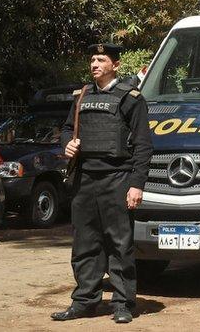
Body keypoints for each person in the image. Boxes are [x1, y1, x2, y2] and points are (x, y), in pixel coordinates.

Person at [51, 43, 154, 323]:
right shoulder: (81, 95)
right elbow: (67, 129)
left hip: (117, 178)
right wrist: (67, 144)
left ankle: (122, 304)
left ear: (115, 65)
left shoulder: (131, 98)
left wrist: (137, 185)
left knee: (119, 244)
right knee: (85, 243)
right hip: (84, 178)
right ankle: (84, 301)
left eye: (101, 59)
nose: (94, 64)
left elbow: (144, 145)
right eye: (93, 59)